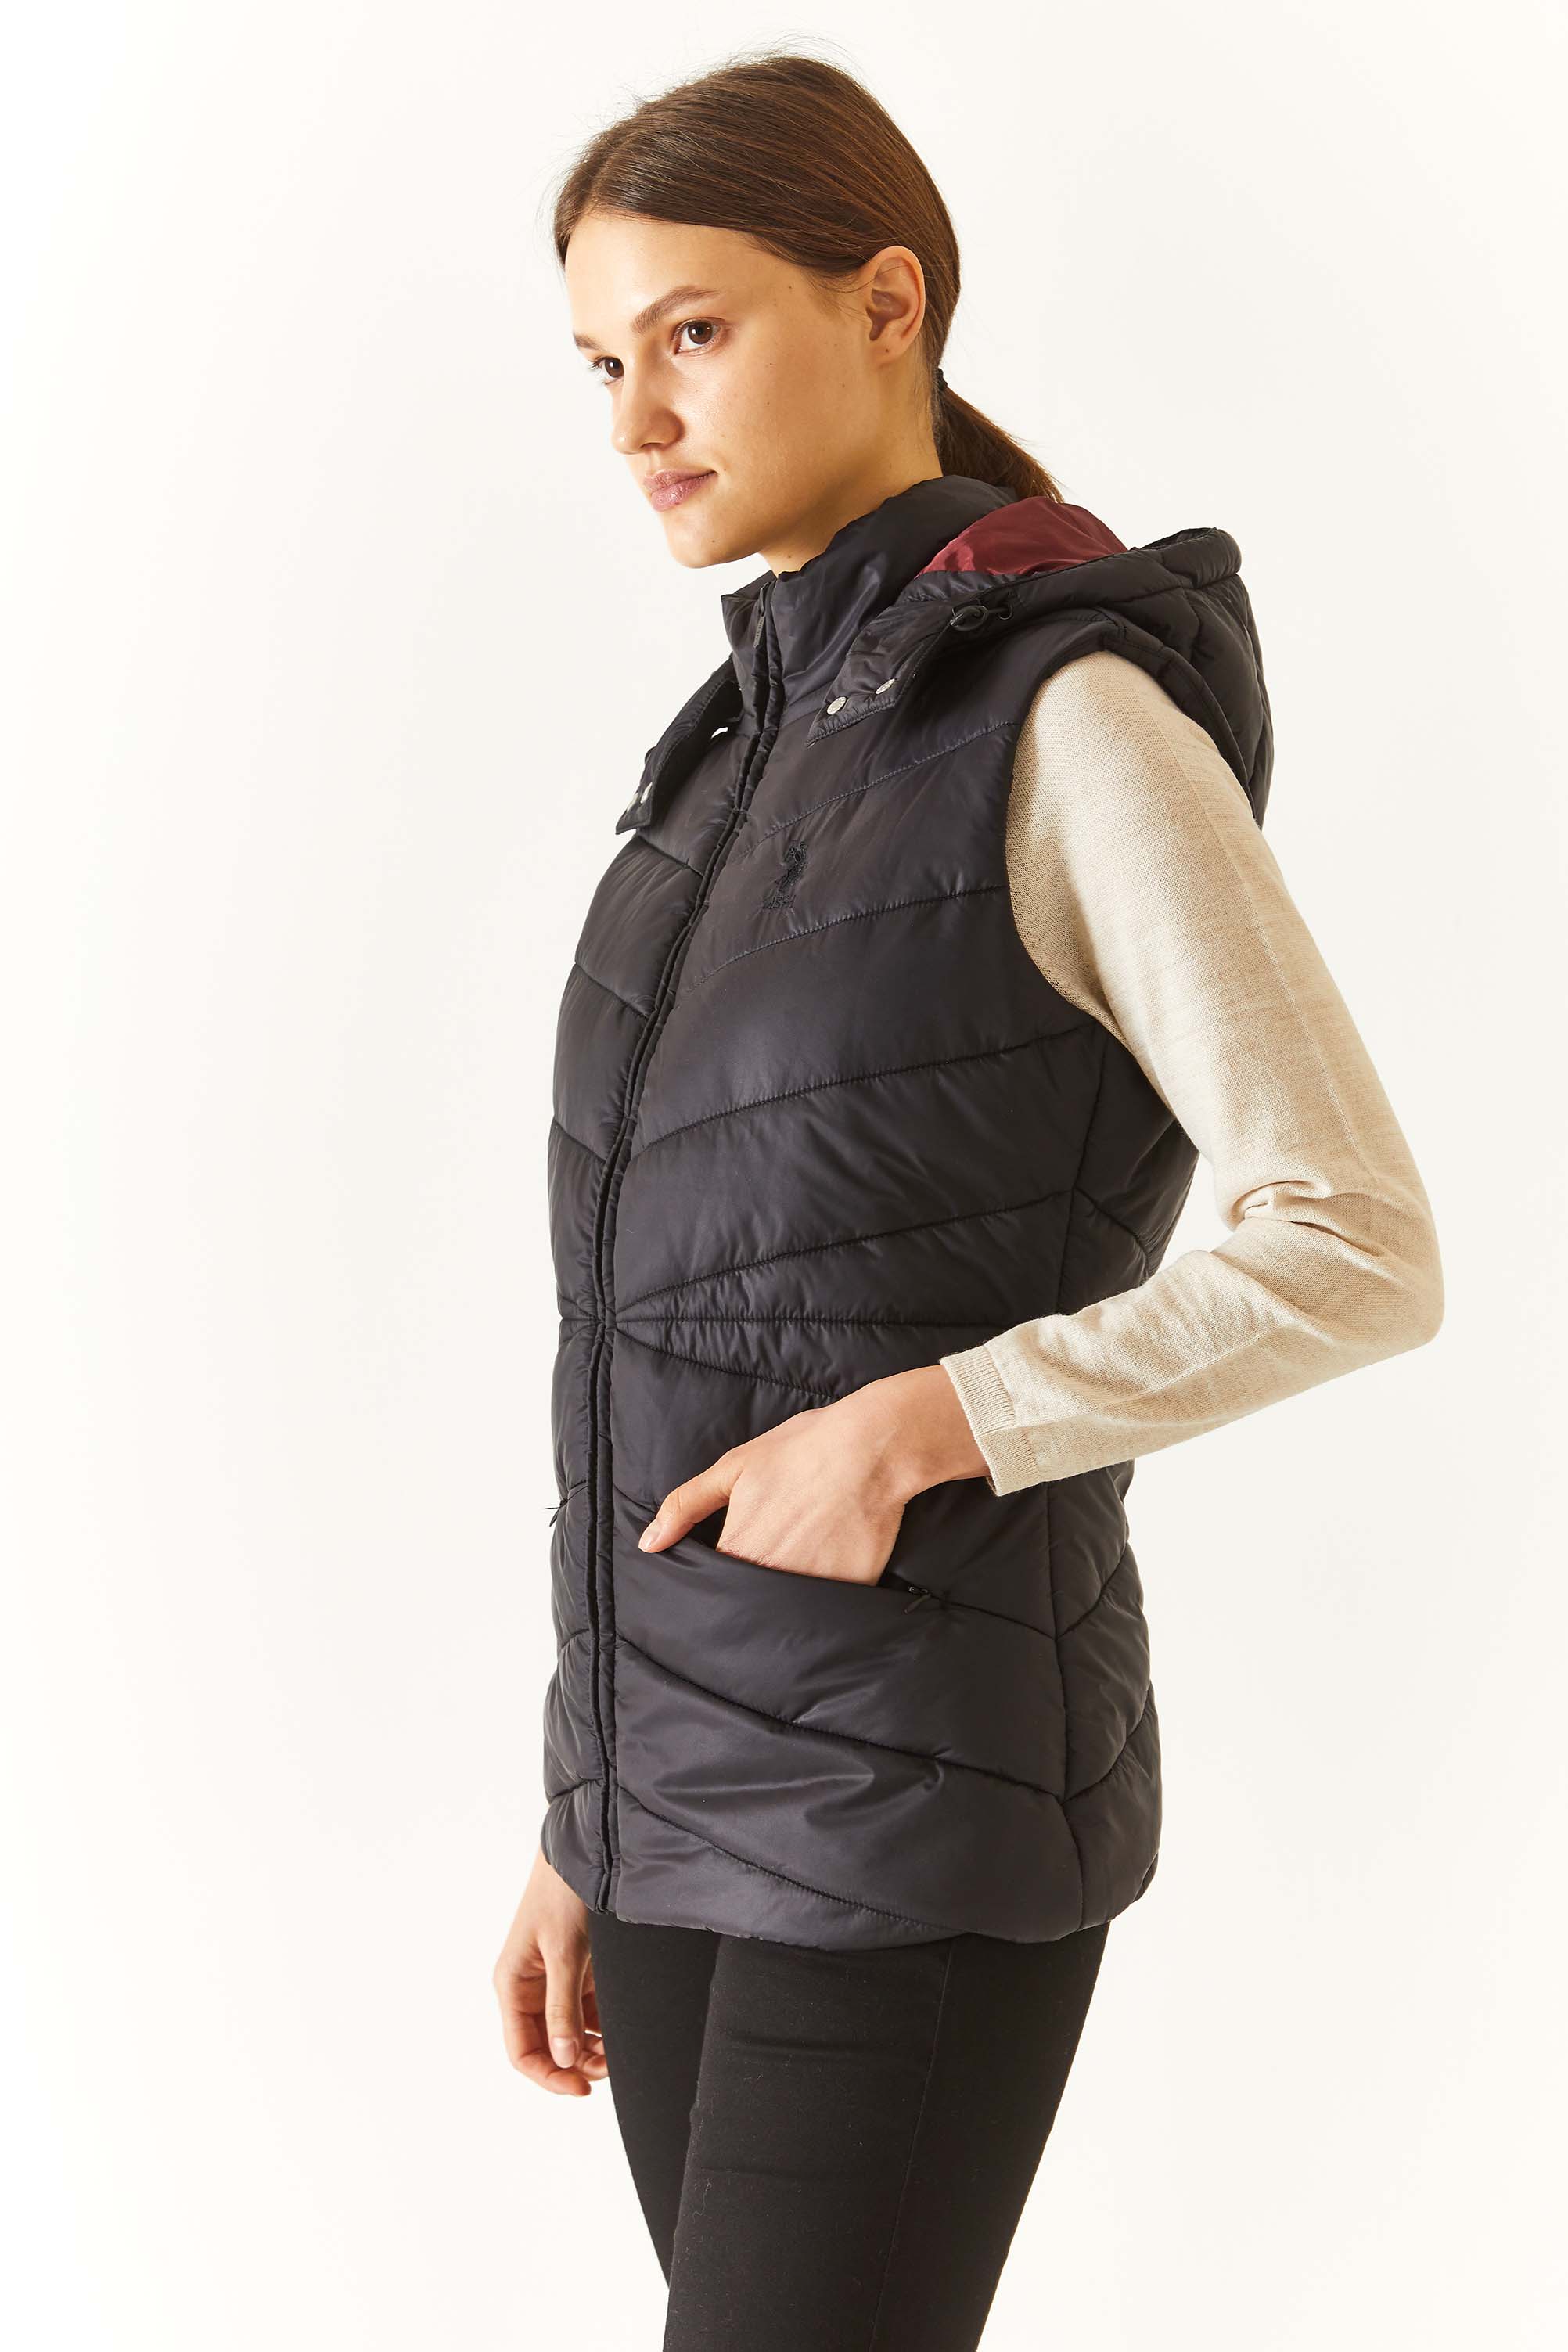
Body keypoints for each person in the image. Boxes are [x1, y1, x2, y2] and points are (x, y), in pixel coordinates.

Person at [493, 50, 1444, 2352]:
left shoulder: (1068, 719)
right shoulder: (729, 765)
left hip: (914, 1800)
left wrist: (922, 1429)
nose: (639, 420)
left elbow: (1351, 1239)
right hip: (681, 1803)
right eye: (604, 362)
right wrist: (581, 1807)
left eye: (694, 332)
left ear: (887, 302)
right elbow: (673, 1328)